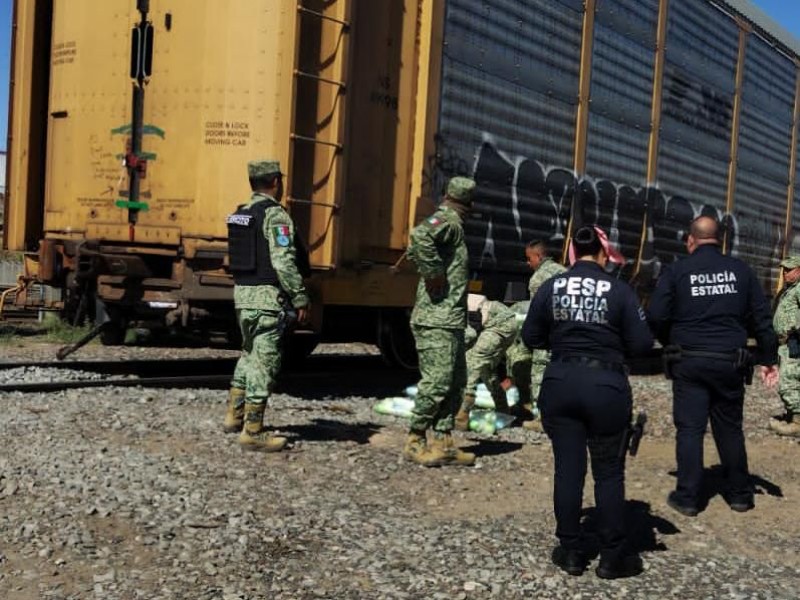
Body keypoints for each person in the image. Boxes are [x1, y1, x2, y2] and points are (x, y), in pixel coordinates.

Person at [522, 225, 653, 579]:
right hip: (606, 386)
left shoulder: (552, 286)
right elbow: (643, 344)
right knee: (608, 472)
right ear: (602, 254)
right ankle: (612, 557)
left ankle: (570, 551)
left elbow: (530, 336)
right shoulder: (619, 290)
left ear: (574, 255)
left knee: (568, 469)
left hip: (560, 381)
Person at [647, 216, 779, 516]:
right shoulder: (741, 271)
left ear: (690, 240)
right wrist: (768, 359)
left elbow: (656, 315)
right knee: (730, 429)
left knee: (690, 429)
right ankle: (740, 495)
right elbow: (762, 320)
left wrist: (671, 340)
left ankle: (688, 498)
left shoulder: (677, 270)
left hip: (689, 360)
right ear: (720, 240)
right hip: (730, 361)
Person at [223, 159, 310, 452]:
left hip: (243, 296)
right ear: (275, 181)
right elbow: (283, 261)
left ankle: (234, 415)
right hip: (266, 300)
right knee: (265, 362)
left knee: (248, 355)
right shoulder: (275, 216)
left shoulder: (241, 214)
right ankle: (253, 430)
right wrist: (299, 296)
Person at [403, 176, 477, 467]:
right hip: (437, 318)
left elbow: (413, 251)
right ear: (469, 204)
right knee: (438, 382)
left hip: (450, 319)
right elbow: (419, 238)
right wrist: (434, 273)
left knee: (456, 381)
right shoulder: (447, 221)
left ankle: (443, 440)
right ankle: (415, 439)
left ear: (447, 195)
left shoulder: (449, 222)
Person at [522, 240, 567, 431]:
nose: (527, 262)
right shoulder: (565, 272)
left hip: (548, 336)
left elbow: (537, 313)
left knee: (540, 374)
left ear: (539, 257)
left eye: (529, 258)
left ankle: (541, 418)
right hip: (565, 336)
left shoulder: (538, 278)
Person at [455, 297, 518, 431]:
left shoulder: (453, 307)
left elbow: (470, 334)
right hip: (505, 324)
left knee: (472, 362)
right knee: (487, 371)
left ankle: (462, 415)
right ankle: (504, 414)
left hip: (498, 324)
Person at [770, 255, 800, 437]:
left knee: (788, 383)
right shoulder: (791, 289)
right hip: (786, 343)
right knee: (792, 380)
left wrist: (794, 329)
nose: (785, 273)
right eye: (784, 269)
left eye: (790, 269)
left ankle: (797, 423)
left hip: (794, 342)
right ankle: (792, 416)